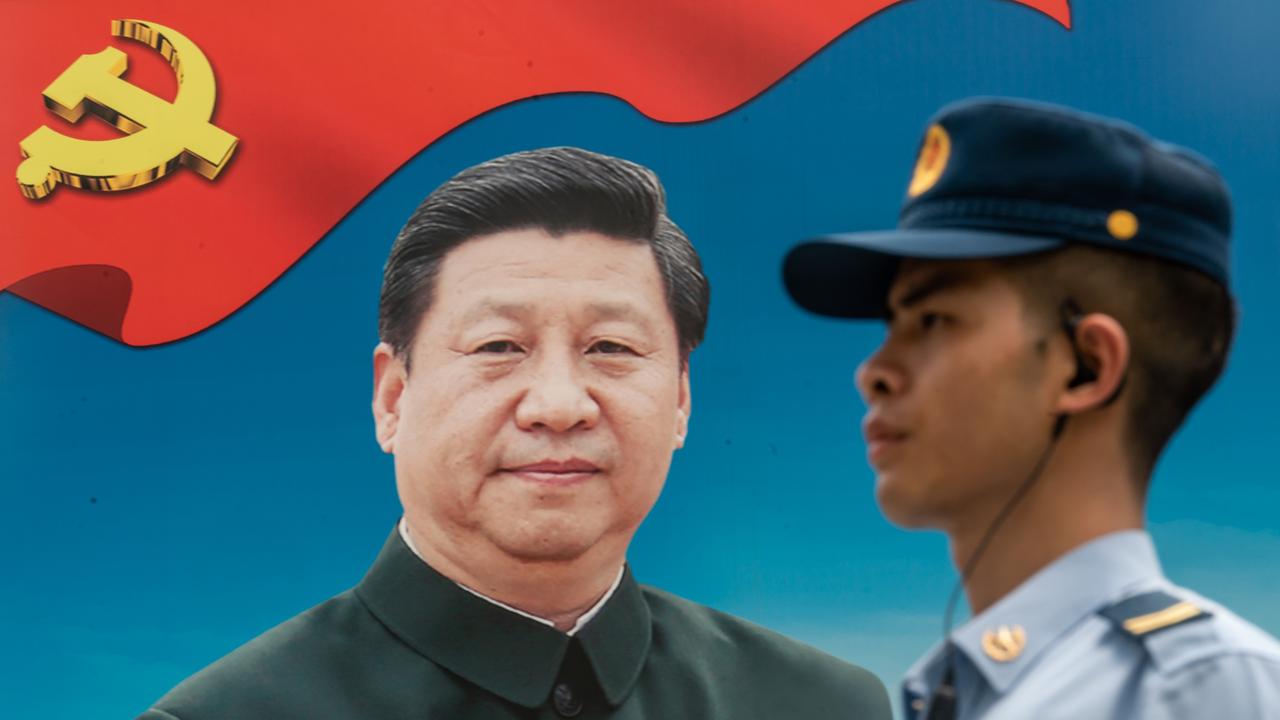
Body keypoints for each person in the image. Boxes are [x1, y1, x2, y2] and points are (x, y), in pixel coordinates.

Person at [139, 147, 891, 719]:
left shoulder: (819, 704)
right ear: (392, 397)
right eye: (499, 347)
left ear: (682, 401)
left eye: (612, 349)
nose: (560, 405)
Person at [782, 98, 1280, 719]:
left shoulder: (1202, 692)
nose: (874, 372)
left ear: (1086, 365)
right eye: (893, 323)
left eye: (934, 319)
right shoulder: (946, 695)